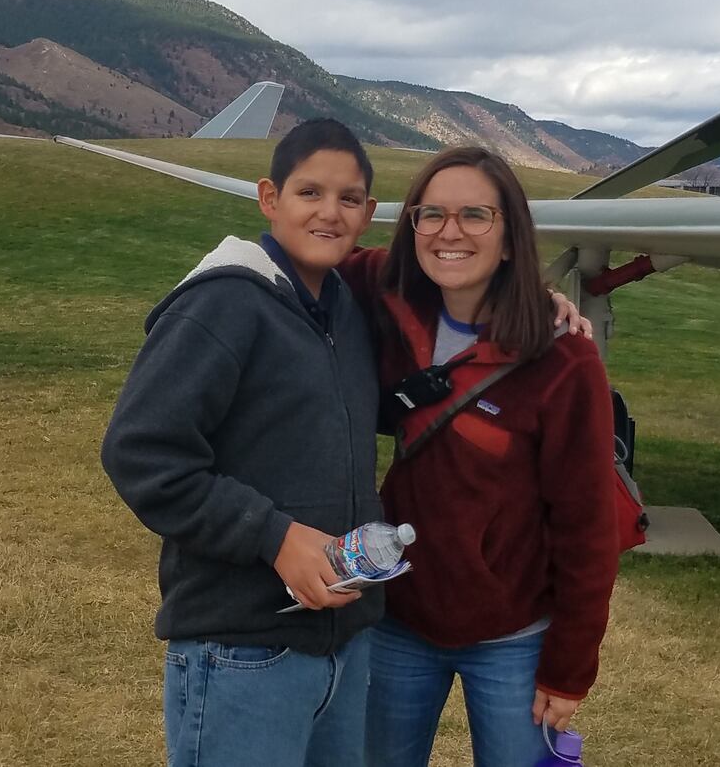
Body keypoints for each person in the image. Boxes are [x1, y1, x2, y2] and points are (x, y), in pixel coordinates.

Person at [100, 118, 385, 767]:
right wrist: (274, 537)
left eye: (348, 199)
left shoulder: (342, 309)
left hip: (343, 645)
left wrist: (536, 305)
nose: (329, 212)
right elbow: (141, 450)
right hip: (243, 653)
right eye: (309, 193)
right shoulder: (226, 302)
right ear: (269, 198)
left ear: (368, 213)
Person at [339, 147, 621, 767]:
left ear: (511, 237)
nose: (450, 232)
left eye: (474, 215)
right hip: (399, 619)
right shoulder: (387, 296)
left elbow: (587, 526)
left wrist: (570, 667)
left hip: (515, 635)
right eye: (431, 214)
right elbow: (311, 247)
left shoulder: (563, 361)